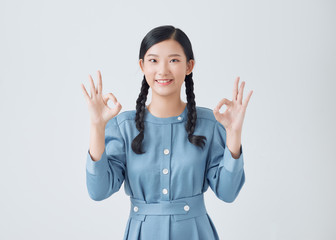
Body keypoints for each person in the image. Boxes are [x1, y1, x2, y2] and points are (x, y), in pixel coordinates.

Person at [81, 25, 253, 240]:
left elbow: (228, 193)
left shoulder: (210, 124)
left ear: (189, 66)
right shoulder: (123, 126)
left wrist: (234, 134)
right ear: (142, 66)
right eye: (153, 60)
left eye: (173, 60)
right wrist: (97, 126)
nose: (162, 70)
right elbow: (98, 191)